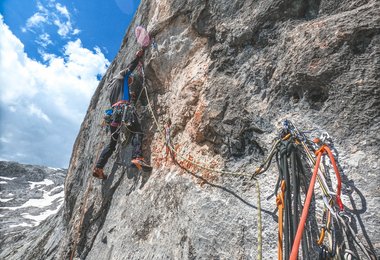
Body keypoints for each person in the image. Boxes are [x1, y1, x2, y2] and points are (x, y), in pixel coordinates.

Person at [93, 49, 149, 179]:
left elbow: (122, 98)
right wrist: (137, 57)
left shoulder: (112, 88)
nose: (130, 81)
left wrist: (131, 97)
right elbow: (129, 68)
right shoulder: (120, 77)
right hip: (124, 109)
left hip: (114, 115)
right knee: (137, 131)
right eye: (129, 79)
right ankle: (137, 157)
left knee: (112, 144)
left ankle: (99, 167)